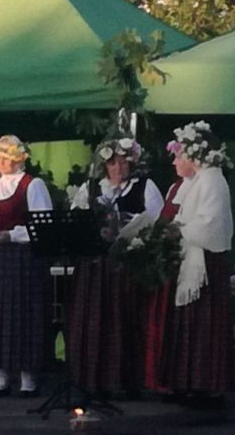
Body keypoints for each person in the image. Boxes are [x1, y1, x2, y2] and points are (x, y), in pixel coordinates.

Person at [66, 136, 164, 397]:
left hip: (127, 265)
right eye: (113, 163)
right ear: (105, 166)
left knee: (125, 320)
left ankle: (128, 380)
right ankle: (94, 379)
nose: (119, 168)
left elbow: (158, 220)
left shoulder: (144, 186)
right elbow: (76, 219)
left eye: (123, 163)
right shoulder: (91, 188)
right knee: (96, 320)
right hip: (96, 266)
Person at [146, 121, 234, 406]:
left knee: (203, 326)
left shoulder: (212, 180)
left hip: (204, 264)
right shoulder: (190, 183)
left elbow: (210, 223)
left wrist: (178, 230)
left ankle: (205, 385)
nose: (174, 162)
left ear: (194, 155)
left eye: (178, 155)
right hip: (187, 261)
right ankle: (184, 382)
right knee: (186, 325)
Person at [0, 135, 53, 397]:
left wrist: (13, 235)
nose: (2, 162)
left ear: (19, 158)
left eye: (7, 157)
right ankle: (0, 377)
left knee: (22, 316)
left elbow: (44, 225)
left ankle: (28, 378)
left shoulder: (32, 185)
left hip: (22, 258)